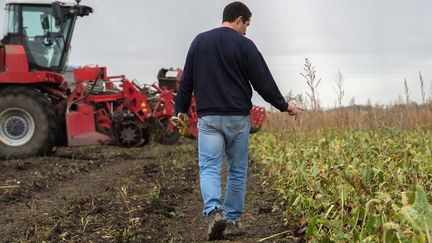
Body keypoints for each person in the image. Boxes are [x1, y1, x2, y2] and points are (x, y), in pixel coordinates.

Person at [175, 1, 303, 240]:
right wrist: (285, 106)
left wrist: (179, 110)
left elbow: (187, 81)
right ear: (239, 19)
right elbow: (263, 82)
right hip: (237, 118)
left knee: (209, 167)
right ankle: (232, 221)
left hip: (209, 117)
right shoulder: (245, 45)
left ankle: (214, 212)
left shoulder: (199, 41)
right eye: (247, 24)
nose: (246, 30)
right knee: (237, 169)